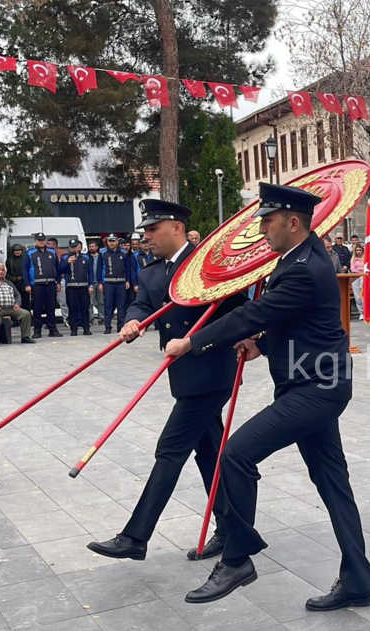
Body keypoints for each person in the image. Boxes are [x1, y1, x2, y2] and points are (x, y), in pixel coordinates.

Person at [165, 183, 370, 610]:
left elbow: (254, 312)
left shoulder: (302, 267)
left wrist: (192, 341)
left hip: (314, 390)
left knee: (236, 454)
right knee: (333, 484)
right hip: (316, 382)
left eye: (267, 220)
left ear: (292, 222)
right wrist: (263, 342)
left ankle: (238, 559)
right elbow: (287, 319)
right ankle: (358, 581)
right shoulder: (303, 255)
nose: (261, 229)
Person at [87, 200, 246, 565]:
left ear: (176, 227)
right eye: (145, 231)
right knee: (208, 453)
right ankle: (231, 527)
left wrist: (216, 339)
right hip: (183, 374)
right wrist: (133, 321)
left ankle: (135, 536)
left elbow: (236, 309)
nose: (147, 238)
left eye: (152, 230)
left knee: (170, 450)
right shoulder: (152, 272)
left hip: (211, 370)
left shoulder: (206, 265)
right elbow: (143, 304)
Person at [24, 232, 63, 338]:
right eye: (39, 240)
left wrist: (58, 282)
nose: (41, 242)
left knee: (51, 307)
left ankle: (53, 329)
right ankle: (37, 330)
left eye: (43, 240)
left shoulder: (52, 252)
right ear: (35, 241)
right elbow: (25, 269)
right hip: (37, 284)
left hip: (50, 283)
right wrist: (27, 284)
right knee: (37, 308)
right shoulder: (30, 253)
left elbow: (57, 268)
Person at [0, 263, 35, 345]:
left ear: (5, 272)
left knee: (26, 314)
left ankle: (25, 337)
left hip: (11, 308)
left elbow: (17, 295)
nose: (0, 272)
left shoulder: (9, 283)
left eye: (2, 270)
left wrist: (17, 304)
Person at [60, 239, 93, 336]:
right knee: (72, 309)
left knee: (85, 308)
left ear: (80, 247)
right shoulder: (65, 257)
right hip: (71, 287)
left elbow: (90, 272)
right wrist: (67, 262)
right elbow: (60, 270)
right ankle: (73, 329)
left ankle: (86, 328)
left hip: (83, 286)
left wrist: (90, 284)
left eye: (76, 246)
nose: (74, 248)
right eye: (72, 246)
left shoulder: (86, 258)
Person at [99, 235, 132, 334]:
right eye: (110, 241)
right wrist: (100, 282)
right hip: (108, 283)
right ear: (107, 242)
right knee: (108, 306)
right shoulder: (103, 253)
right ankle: (107, 327)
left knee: (121, 306)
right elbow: (99, 269)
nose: (112, 243)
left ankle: (120, 327)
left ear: (117, 242)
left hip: (121, 283)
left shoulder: (124, 253)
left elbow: (128, 269)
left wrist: (128, 281)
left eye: (113, 241)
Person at [5, 244, 29, 310]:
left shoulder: (26, 259)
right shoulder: (9, 260)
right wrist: (14, 278)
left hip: (24, 283)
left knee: (26, 301)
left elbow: (29, 271)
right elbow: (7, 273)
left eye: (19, 250)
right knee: (15, 300)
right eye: (15, 250)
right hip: (13, 283)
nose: (17, 252)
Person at [86, 240, 105, 326]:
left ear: (97, 247)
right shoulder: (86, 257)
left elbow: (104, 269)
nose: (91, 248)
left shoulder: (102, 256)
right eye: (90, 246)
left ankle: (102, 317)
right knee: (90, 302)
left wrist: (102, 282)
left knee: (101, 301)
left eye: (93, 246)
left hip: (99, 282)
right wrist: (89, 284)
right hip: (90, 283)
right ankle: (91, 318)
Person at [349, 244, 366, 315]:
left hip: (363, 277)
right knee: (357, 296)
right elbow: (352, 268)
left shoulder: (365, 258)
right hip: (355, 277)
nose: (358, 252)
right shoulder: (353, 259)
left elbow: (366, 268)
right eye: (357, 250)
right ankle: (361, 312)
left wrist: (360, 270)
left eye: (360, 250)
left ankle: (365, 312)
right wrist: (359, 270)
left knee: (363, 295)